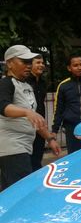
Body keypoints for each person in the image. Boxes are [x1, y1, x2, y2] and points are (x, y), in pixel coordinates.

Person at [0, 45, 60, 191]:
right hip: (12, 146)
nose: (28, 65)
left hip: (26, 145)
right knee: (21, 190)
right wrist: (27, 112)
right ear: (9, 63)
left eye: (29, 62)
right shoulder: (5, 83)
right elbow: (3, 107)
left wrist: (50, 138)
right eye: (23, 61)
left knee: (11, 190)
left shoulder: (27, 86)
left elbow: (35, 119)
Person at [26, 54, 48, 171]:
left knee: (38, 156)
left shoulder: (43, 82)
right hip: (27, 125)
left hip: (40, 125)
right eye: (38, 63)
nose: (41, 65)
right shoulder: (25, 82)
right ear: (30, 65)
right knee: (28, 158)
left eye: (42, 63)